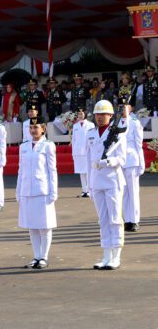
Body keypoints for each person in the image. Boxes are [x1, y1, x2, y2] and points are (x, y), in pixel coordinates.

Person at [87, 100, 127, 270]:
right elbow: (89, 160)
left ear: (111, 116)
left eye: (104, 114)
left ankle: (116, 255)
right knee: (102, 219)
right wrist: (89, 184)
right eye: (97, 114)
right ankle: (105, 255)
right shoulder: (90, 133)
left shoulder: (118, 134)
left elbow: (122, 158)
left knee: (114, 218)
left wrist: (108, 162)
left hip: (112, 180)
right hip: (97, 181)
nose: (100, 117)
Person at [16, 117, 57, 269]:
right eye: (31, 127)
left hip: (42, 190)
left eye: (36, 127)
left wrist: (53, 191)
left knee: (44, 226)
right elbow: (21, 170)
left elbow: (52, 170)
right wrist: (18, 190)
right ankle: (36, 256)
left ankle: (44, 257)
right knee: (32, 225)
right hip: (27, 189)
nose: (33, 130)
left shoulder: (48, 145)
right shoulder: (24, 146)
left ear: (43, 129)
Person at [118, 95, 144, 232]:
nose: (123, 109)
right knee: (122, 192)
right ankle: (125, 219)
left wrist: (142, 162)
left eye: (125, 106)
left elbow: (139, 144)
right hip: (119, 161)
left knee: (133, 192)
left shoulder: (134, 122)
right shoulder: (115, 123)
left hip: (132, 160)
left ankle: (133, 220)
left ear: (130, 108)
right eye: (121, 107)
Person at [71, 108, 94, 198]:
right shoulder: (75, 126)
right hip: (78, 151)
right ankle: (84, 190)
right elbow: (74, 139)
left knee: (88, 171)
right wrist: (73, 152)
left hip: (87, 151)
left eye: (82, 114)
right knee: (81, 171)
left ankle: (89, 190)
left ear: (85, 114)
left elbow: (92, 138)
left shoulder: (90, 125)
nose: (80, 115)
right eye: (79, 114)